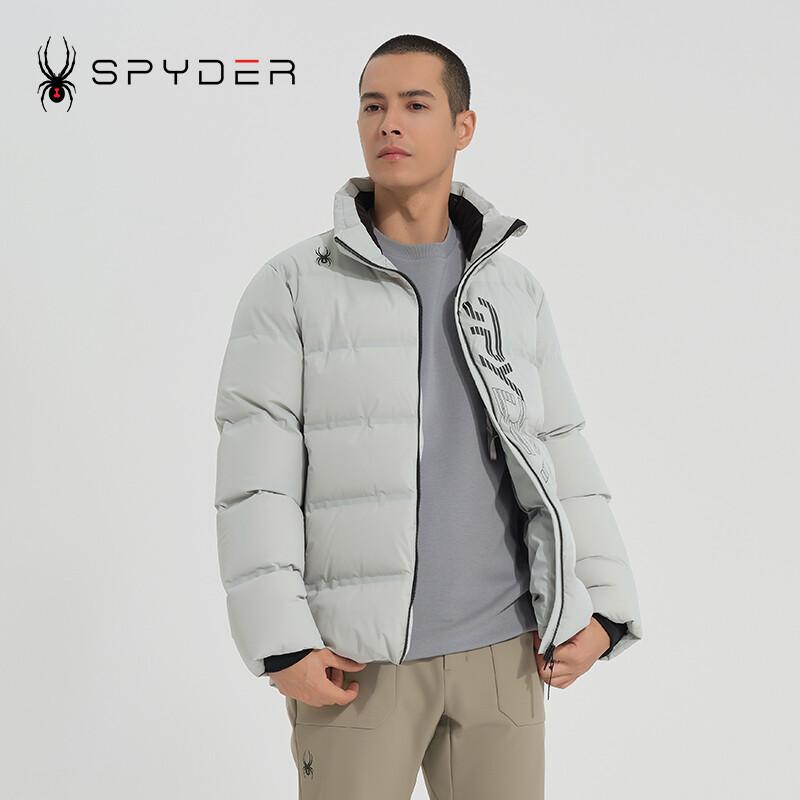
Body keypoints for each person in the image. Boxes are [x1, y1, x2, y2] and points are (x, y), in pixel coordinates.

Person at [213, 33, 642, 800]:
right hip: (358, 663)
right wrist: (281, 642)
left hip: (505, 653)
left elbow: (559, 446)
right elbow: (256, 481)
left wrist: (605, 605)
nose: (389, 123)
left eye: (415, 105)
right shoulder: (292, 287)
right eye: (372, 106)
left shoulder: (511, 290)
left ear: (462, 127)